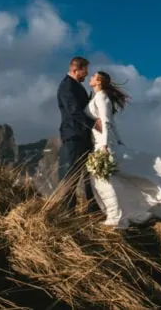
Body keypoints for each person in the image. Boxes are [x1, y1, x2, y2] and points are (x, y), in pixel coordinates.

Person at [85, 70, 161, 232]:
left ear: (99, 81)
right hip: (102, 142)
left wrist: (105, 146)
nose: (91, 77)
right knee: (112, 181)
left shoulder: (102, 98)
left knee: (103, 180)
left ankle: (116, 218)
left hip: (104, 145)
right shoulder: (97, 97)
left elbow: (107, 122)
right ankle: (134, 214)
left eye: (94, 76)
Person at [56, 55, 102, 212]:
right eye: (85, 71)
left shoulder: (75, 86)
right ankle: (67, 213)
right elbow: (74, 111)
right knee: (71, 176)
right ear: (76, 70)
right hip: (74, 136)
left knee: (89, 175)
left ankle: (92, 210)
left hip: (82, 137)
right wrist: (94, 124)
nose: (87, 75)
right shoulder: (67, 87)